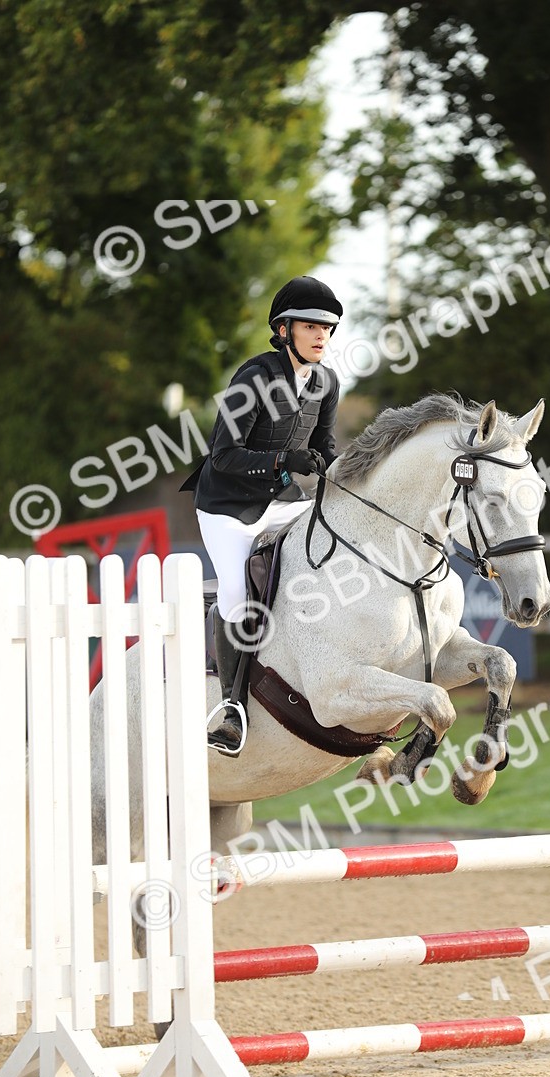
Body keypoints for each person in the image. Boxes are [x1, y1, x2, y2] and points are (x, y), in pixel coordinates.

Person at [181, 275, 343, 755]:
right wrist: (283, 460)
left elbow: (325, 448)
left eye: (327, 328)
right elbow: (223, 455)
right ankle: (231, 708)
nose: (321, 335)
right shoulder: (254, 377)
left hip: (282, 501)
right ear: (284, 329)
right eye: (311, 326)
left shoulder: (327, 384)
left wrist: (348, 478)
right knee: (236, 592)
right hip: (228, 507)